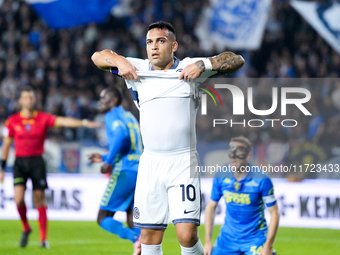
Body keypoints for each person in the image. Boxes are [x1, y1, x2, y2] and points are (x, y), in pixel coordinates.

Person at [91, 21, 245, 255]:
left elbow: (236, 60)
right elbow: (97, 56)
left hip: (183, 162)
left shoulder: (189, 68)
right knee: (149, 236)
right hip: (150, 163)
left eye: (160, 41)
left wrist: (203, 64)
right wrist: (119, 60)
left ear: (173, 46)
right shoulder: (137, 69)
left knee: (186, 235)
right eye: (149, 42)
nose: (153, 47)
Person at [0, 87, 100, 249]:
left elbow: (63, 121)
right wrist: (2, 168)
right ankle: (26, 228)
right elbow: (6, 145)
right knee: (18, 200)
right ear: (20, 101)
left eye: (31, 98)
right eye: (26, 98)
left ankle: (43, 239)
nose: (29, 100)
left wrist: (84, 123)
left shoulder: (42, 118)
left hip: (37, 162)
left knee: (39, 199)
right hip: (19, 163)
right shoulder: (12, 121)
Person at [88, 87, 142, 255]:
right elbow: (130, 143)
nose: (101, 102)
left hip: (125, 171)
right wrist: (104, 157)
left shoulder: (111, 116)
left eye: (104, 99)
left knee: (103, 217)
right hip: (140, 168)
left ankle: (135, 239)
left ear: (113, 101)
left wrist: (109, 161)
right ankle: (143, 246)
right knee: (131, 212)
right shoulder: (129, 116)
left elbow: (121, 136)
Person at [204, 136, 280, 255]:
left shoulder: (261, 179)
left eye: (238, 155)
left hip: (254, 239)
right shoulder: (221, 175)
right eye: (231, 155)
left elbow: (274, 213)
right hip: (227, 240)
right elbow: (210, 207)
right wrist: (208, 241)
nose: (233, 159)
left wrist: (267, 246)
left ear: (248, 156)